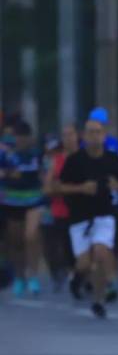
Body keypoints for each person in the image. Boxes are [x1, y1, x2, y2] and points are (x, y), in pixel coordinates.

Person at [57, 118, 118, 319]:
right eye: (90, 132)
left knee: (100, 251)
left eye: (98, 132)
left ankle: (99, 299)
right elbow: (59, 187)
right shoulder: (74, 160)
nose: (94, 136)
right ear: (84, 136)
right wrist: (81, 188)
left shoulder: (113, 159)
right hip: (79, 217)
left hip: (104, 215)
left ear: (104, 135)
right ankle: (77, 278)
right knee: (84, 264)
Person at [1, 121, 45, 296]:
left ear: (28, 138)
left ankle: (33, 275)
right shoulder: (5, 155)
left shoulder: (36, 154)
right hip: (12, 201)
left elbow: (40, 173)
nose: (19, 141)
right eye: (16, 137)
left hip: (33, 200)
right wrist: (9, 174)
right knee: (15, 241)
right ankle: (20, 277)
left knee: (30, 236)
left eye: (22, 137)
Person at [43, 124, 80, 291]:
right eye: (65, 135)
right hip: (62, 210)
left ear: (77, 135)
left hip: (84, 210)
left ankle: (84, 275)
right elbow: (48, 187)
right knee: (67, 246)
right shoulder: (57, 160)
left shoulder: (85, 157)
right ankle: (72, 275)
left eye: (71, 134)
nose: (68, 138)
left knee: (84, 246)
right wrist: (58, 188)